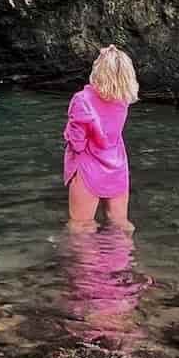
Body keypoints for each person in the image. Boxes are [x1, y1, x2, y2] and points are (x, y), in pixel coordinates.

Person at [63, 45, 138, 232]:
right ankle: (121, 252)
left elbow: (77, 142)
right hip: (116, 164)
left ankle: (88, 253)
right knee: (120, 224)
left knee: (82, 226)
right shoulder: (123, 100)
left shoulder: (81, 99)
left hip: (88, 166)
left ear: (98, 70)